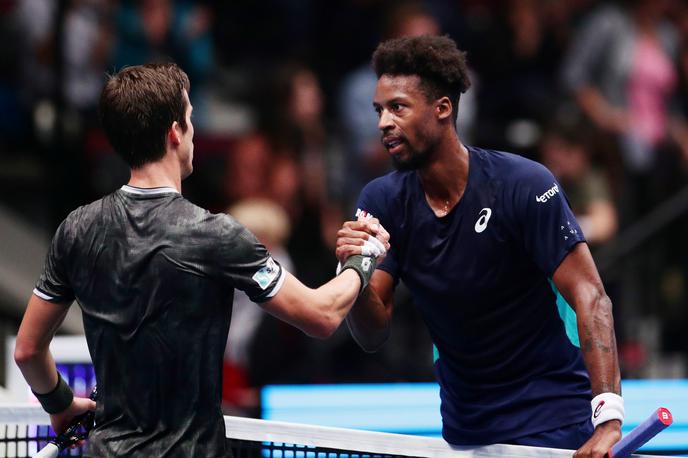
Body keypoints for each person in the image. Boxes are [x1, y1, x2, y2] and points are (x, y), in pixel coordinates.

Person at [13, 63, 388, 458]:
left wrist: (60, 403)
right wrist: (364, 259)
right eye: (190, 120)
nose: (192, 133)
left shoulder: (77, 229)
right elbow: (322, 315)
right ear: (176, 133)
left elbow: (28, 350)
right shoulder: (215, 234)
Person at [336, 35, 622, 456]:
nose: (382, 123)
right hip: (466, 434)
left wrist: (609, 419)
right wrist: (354, 274)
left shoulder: (523, 184)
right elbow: (372, 334)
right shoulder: (380, 201)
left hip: (552, 426)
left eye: (398, 107)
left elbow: (591, 296)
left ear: (443, 108)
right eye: (379, 110)